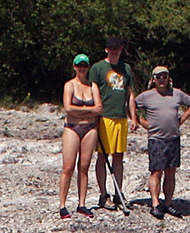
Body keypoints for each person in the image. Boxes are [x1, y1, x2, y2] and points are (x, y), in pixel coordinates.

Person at [134, 66, 190, 219]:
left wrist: (181, 120)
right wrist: (140, 122)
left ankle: (168, 203)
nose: (161, 80)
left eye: (164, 76)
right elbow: (130, 107)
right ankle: (156, 204)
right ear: (153, 79)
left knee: (171, 171)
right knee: (156, 171)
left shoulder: (176, 93)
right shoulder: (146, 96)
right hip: (156, 138)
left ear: (168, 78)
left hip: (173, 137)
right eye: (158, 77)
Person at [90, 36, 138, 212]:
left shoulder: (126, 69)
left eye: (117, 48)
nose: (114, 51)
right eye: (111, 48)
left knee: (119, 156)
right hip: (105, 117)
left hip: (120, 117)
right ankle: (104, 194)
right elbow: (93, 90)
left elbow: (130, 94)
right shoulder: (98, 68)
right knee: (103, 156)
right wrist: (95, 112)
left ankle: (119, 192)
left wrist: (133, 117)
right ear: (106, 49)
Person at [59, 54, 102, 218]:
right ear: (74, 67)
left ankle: (82, 204)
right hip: (72, 128)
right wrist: (90, 110)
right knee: (68, 168)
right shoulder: (69, 85)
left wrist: (85, 111)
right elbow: (68, 108)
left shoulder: (93, 86)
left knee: (84, 167)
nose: (82, 68)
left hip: (90, 128)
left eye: (84, 65)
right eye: (79, 66)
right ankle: (62, 205)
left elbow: (99, 108)